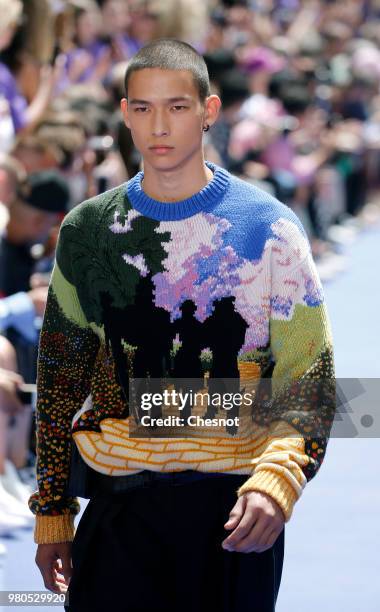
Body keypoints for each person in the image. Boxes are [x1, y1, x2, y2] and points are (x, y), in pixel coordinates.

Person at [30, 39, 335, 612]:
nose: (159, 125)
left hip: (234, 509)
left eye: (176, 106)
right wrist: (52, 510)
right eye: (143, 109)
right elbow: (59, 377)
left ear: (209, 111)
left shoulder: (269, 228)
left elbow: (309, 376)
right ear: (125, 115)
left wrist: (280, 478)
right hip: (120, 506)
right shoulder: (88, 231)